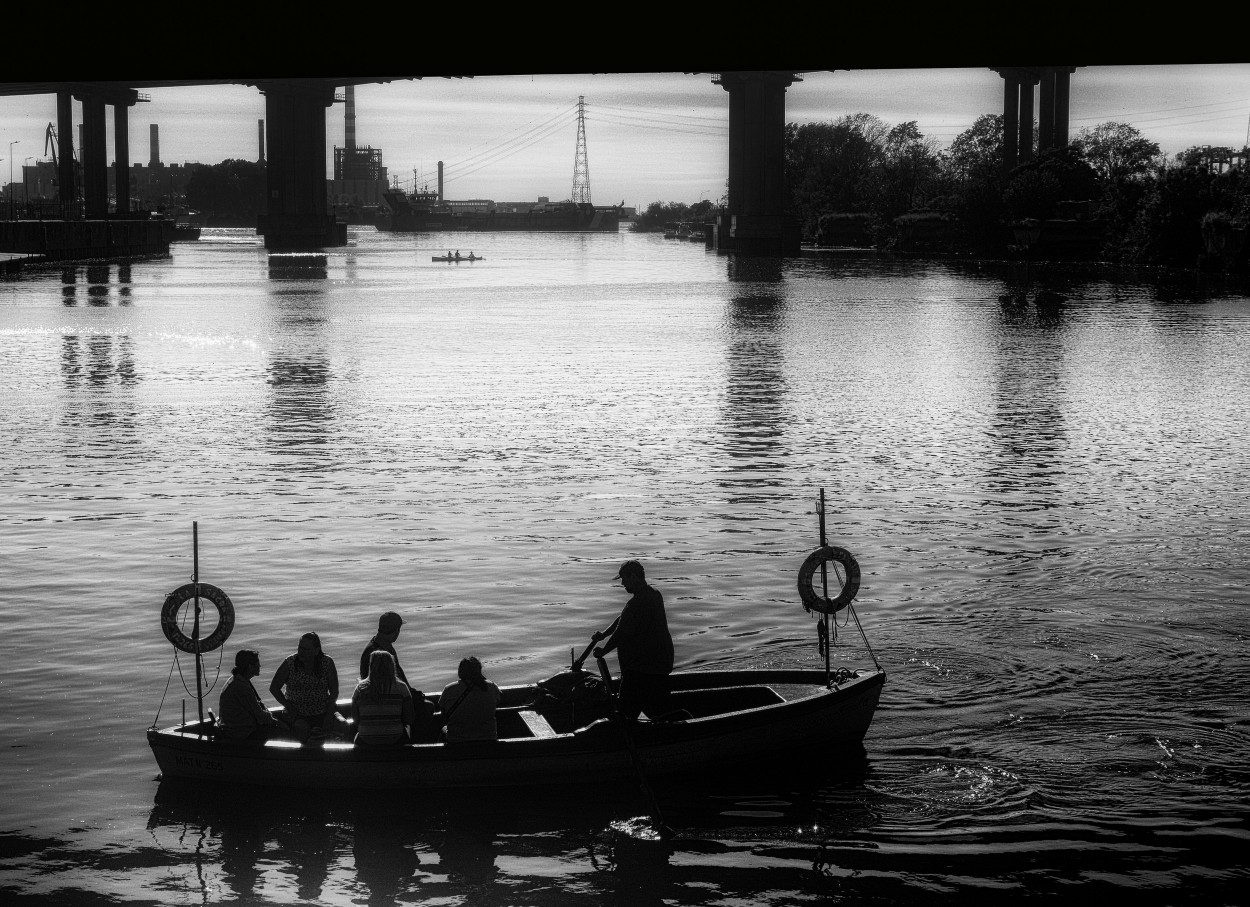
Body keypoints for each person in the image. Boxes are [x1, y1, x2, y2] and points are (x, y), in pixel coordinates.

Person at [592, 559, 675, 721]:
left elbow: (622, 632)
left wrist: (603, 651)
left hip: (641, 670)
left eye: (624, 578)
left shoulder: (637, 603)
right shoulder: (654, 595)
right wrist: (603, 635)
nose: (622, 583)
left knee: (625, 713)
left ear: (635, 577)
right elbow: (623, 618)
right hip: (659, 666)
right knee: (663, 710)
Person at [269, 632, 350, 742]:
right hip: (296, 713)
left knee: (344, 725)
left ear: (316, 651)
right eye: (300, 648)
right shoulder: (290, 663)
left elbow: (334, 692)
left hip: (323, 710)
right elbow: (274, 688)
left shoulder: (327, 663)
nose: (301, 652)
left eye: (306, 649)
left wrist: (329, 714)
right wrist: (288, 706)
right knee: (303, 729)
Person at [217, 649, 287, 741]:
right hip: (239, 733)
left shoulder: (238, 679)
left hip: (233, 727)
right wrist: (280, 724)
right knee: (281, 732)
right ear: (250, 667)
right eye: (258, 663)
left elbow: (256, 707)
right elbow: (260, 715)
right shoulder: (241, 687)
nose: (260, 665)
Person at [352, 650, 415, 745]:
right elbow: (409, 718)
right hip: (395, 738)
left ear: (371, 666)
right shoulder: (401, 687)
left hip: (366, 739)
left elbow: (356, 720)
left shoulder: (360, 689)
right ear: (392, 666)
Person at [438, 656, 501, 742]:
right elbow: (500, 698)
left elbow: (443, 714)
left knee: (443, 728)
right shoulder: (491, 687)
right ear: (479, 671)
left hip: (457, 741)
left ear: (460, 671)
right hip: (488, 739)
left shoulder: (449, 689)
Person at [360, 611, 410, 687]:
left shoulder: (386, 647)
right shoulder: (377, 652)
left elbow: (399, 673)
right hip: (384, 696)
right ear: (397, 631)